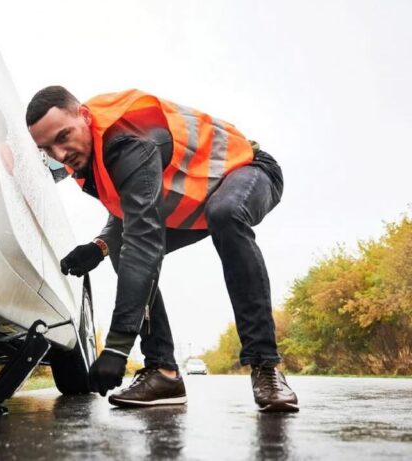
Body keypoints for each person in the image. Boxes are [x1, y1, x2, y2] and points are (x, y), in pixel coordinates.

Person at [25, 86, 298, 413]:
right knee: (126, 244)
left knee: (224, 215)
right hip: (196, 204)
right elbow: (127, 214)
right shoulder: (87, 155)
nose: (59, 154)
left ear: (84, 115)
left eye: (63, 136)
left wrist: (116, 348)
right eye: (48, 149)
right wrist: (100, 247)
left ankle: (266, 366)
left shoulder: (127, 140)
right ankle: (163, 372)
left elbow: (145, 241)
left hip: (250, 170)